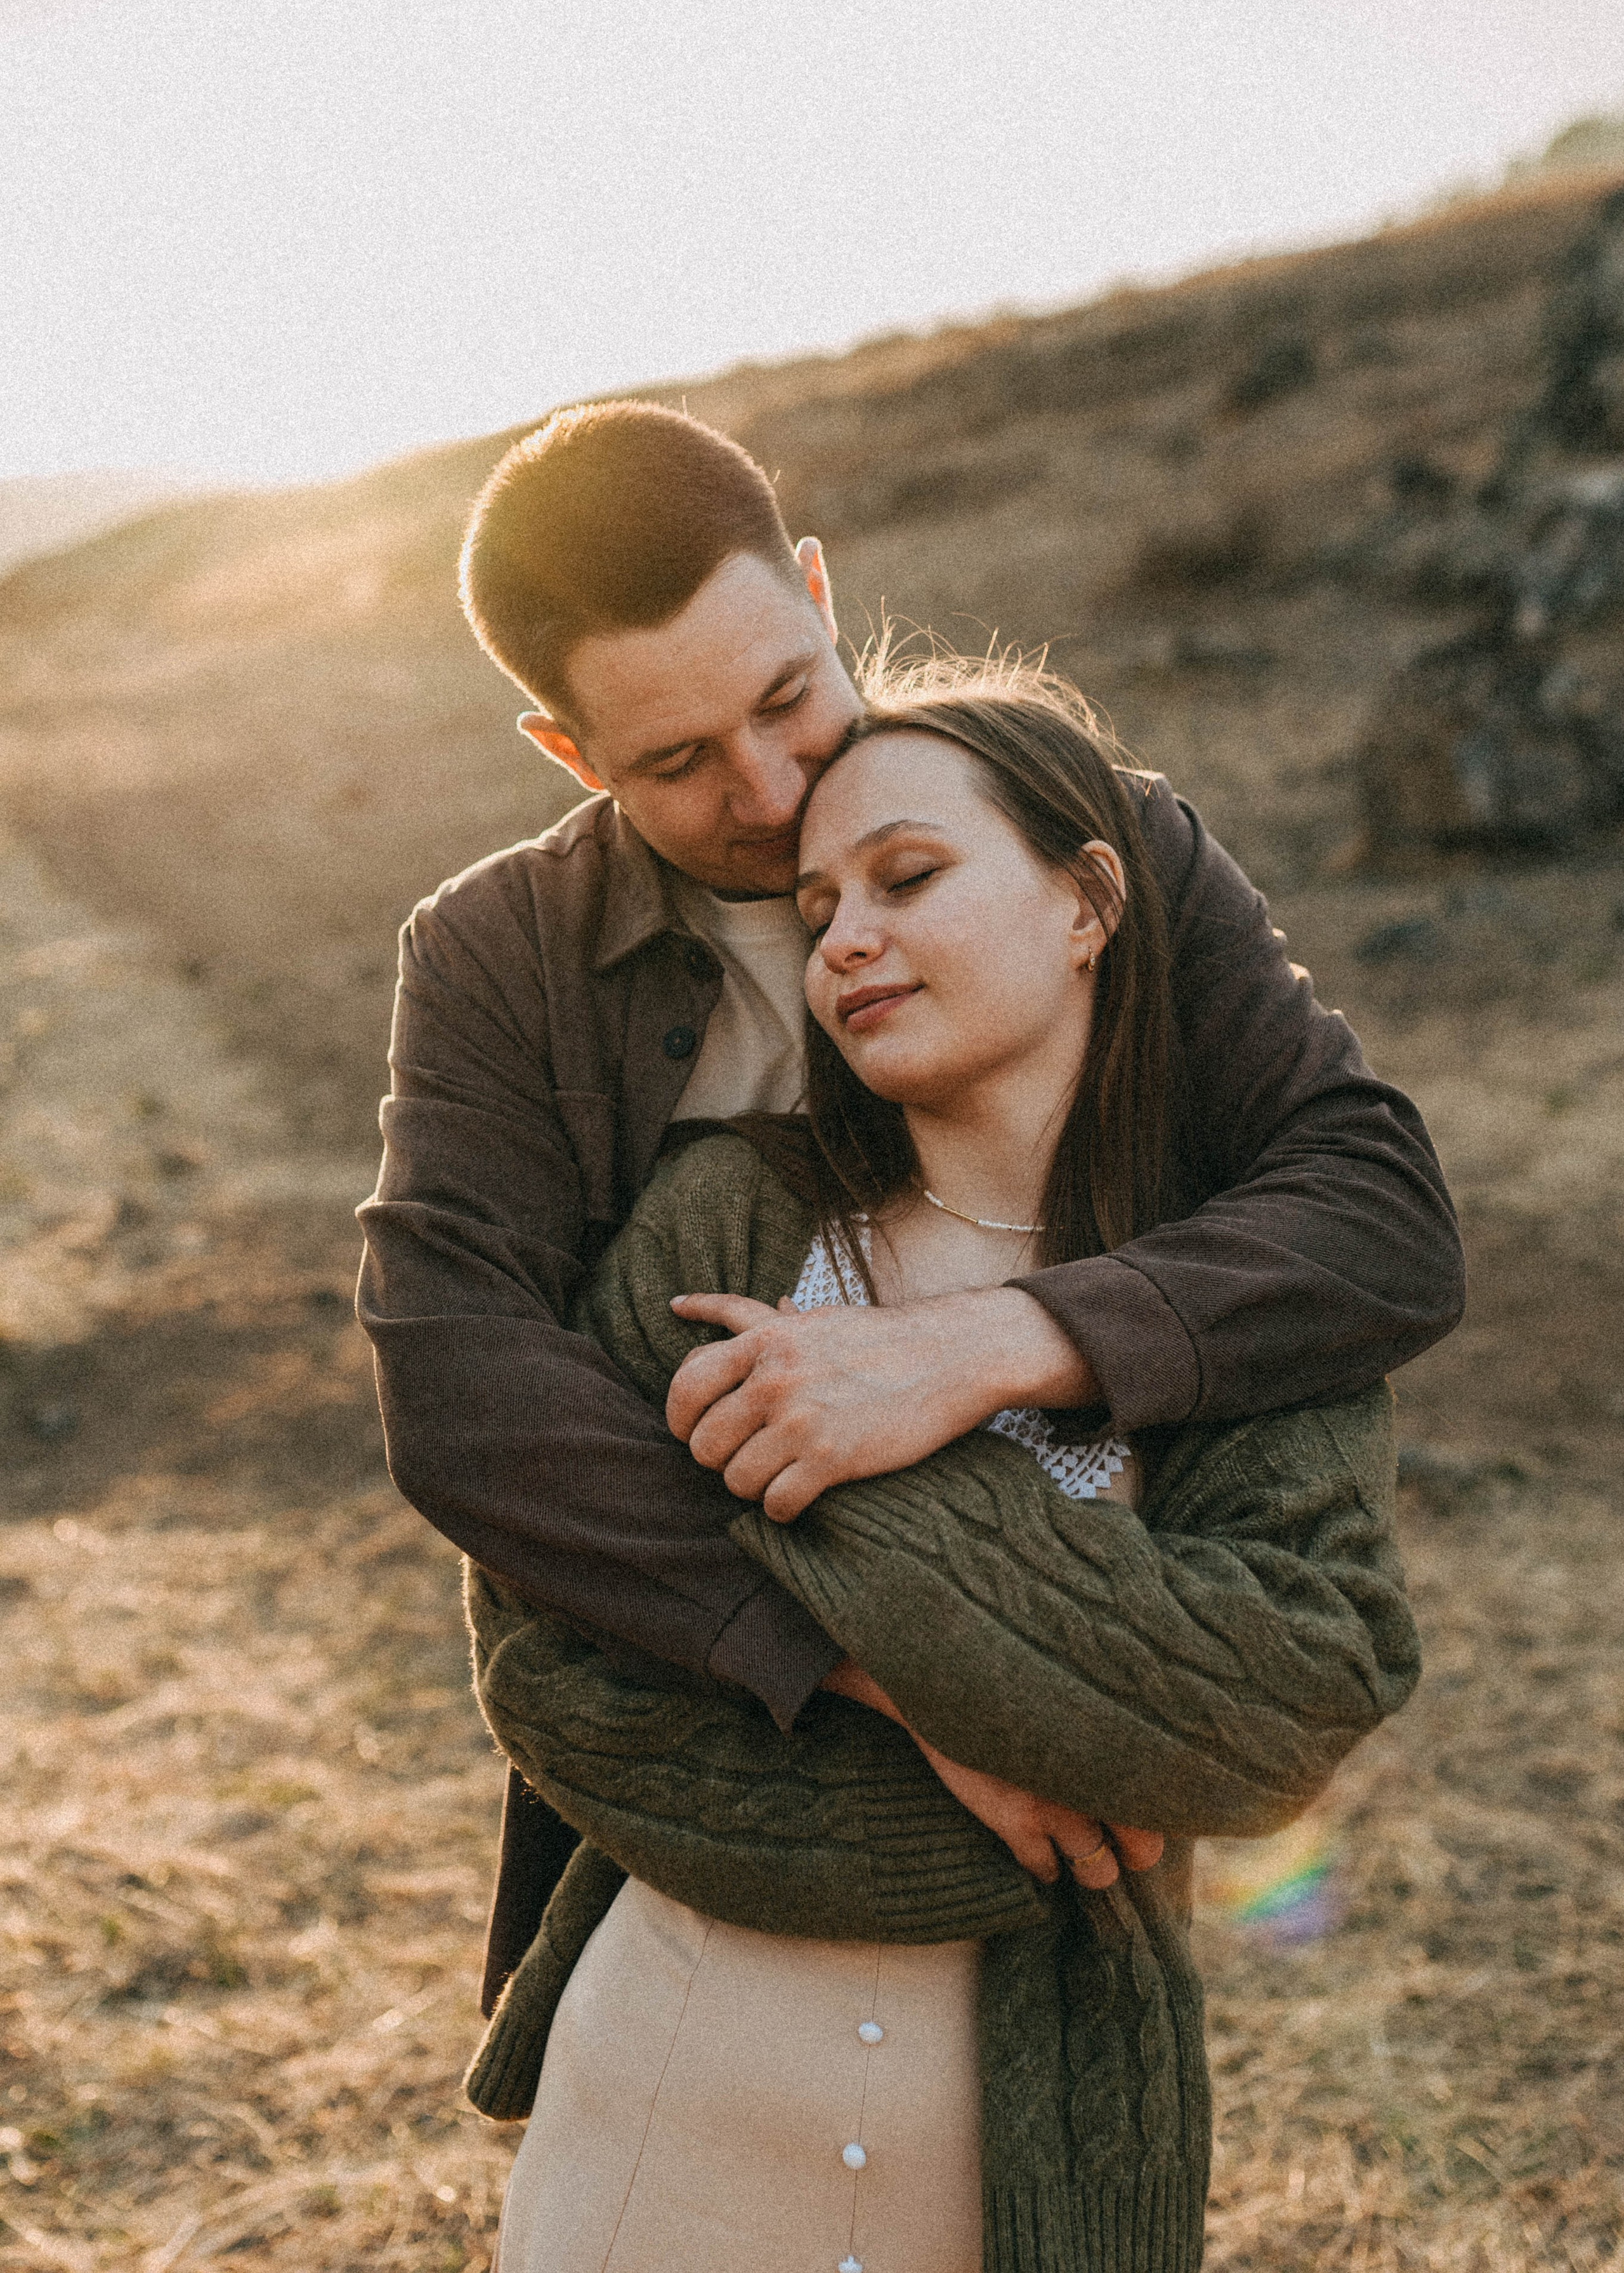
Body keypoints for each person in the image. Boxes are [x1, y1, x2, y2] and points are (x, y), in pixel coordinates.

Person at [355, 400, 1462, 2005]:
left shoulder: (1098, 832)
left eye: (788, 696)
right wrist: (901, 1674)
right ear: (567, 756)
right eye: (672, 761)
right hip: (711, 1750)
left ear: (815, 586)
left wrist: (982, 1345)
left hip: (1118, 1687)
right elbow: (461, 1386)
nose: (764, 781)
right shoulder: (494, 957)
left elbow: (1375, 1210)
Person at [459, 665, 1423, 2272]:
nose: (838, 938)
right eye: (816, 904)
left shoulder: (1240, 1297)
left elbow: (1286, 1707)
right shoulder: (724, 1223)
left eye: (907, 878)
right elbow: (555, 1663)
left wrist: (835, 1477)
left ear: (1086, 902)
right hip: (662, 2124)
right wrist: (1035, 1743)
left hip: (1026, 2174)